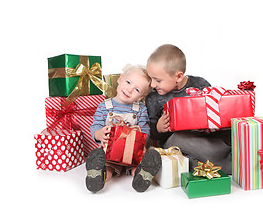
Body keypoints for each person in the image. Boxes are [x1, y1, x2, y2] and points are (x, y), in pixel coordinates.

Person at [145, 44, 232, 174]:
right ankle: (220, 164)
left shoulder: (200, 84)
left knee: (230, 131)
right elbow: (151, 132)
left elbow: (214, 111)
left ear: (179, 77)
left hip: (205, 139)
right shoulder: (153, 98)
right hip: (178, 143)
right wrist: (158, 128)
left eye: (158, 80)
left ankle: (202, 163)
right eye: (150, 78)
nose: (152, 84)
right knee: (178, 140)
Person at [86, 64, 162, 193]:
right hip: (110, 153)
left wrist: (141, 135)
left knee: (137, 163)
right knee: (107, 167)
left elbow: (145, 129)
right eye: (128, 82)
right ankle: (98, 176)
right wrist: (99, 134)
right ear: (120, 79)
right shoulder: (104, 106)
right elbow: (95, 126)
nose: (129, 90)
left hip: (131, 152)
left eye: (137, 89)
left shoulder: (140, 109)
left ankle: (142, 175)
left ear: (141, 97)